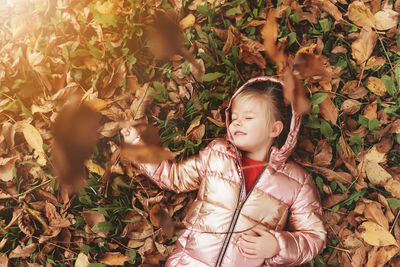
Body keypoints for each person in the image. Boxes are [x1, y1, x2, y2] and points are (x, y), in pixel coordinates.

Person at [121, 76, 326, 267]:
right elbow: (175, 177)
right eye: (235, 116)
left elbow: (314, 237)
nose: (237, 122)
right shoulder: (217, 155)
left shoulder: (297, 182)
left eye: (248, 117)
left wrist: (277, 246)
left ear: (275, 129)